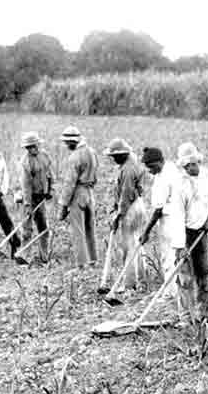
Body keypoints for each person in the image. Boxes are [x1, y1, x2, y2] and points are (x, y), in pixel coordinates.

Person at [140, 146, 188, 319]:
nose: (150, 170)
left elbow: (158, 209)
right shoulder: (167, 171)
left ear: (160, 161)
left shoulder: (166, 176)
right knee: (168, 258)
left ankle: (172, 294)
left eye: (151, 166)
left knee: (170, 258)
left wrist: (146, 231)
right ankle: (170, 292)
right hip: (172, 218)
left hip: (170, 220)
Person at [176, 143, 208, 323]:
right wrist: (180, 245)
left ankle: (205, 314)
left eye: (193, 164)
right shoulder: (179, 183)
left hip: (202, 231)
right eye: (186, 166)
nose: (190, 168)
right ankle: (186, 317)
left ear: (198, 162)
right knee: (185, 277)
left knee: (203, 273)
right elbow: (177, 215)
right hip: (184, 232)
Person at [107, 138, 150, 290]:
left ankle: (129, 283)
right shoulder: (132, 165)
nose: (113, 159)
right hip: (139, 205)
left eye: (114, 156)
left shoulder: (126, 170)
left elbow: (125, 195)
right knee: (137, 244)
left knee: (128, 246)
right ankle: (143, 278)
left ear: (122, 155)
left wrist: (119, 215)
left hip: (130, 208)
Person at [58, 126, 100, 267]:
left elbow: (69, 183)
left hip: (78, 192)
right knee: (90, 228)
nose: (66, 145)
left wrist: (63, 206)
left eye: (67, 142)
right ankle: (93, 260)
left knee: (78, 230)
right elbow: (96, 175)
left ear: (72, 141)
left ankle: (81, 264)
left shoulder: (75, 157)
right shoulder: (92, 152)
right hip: (90, 192)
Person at [20, 131, 54, 263]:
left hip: (42, 196)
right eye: (28, 147)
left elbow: (50, 174)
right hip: (30, 197)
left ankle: (44, 256)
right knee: (27, 229)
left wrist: (50, 190)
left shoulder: (45, 156)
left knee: (43, 227)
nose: (32, 149)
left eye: (33, 146)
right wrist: (28, 204)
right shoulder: (25, 162)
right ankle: (24, 255)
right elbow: (26, 185)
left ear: (38, 145)